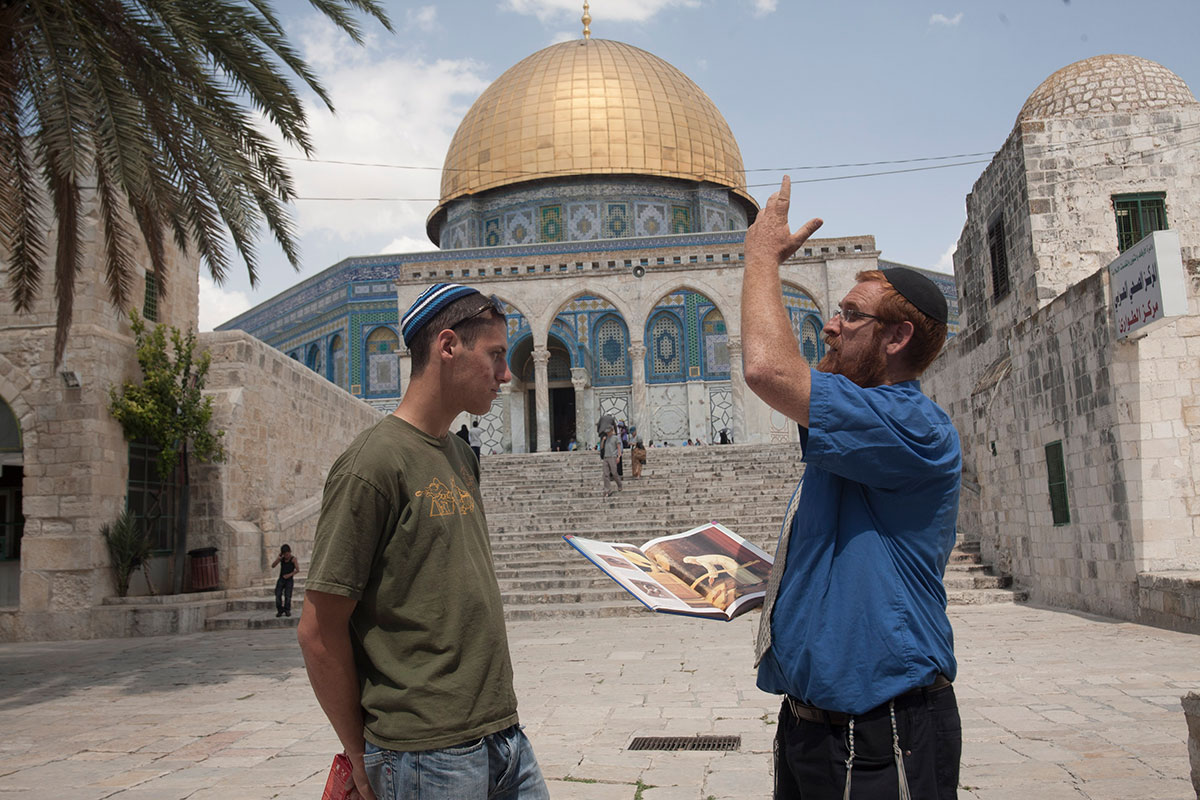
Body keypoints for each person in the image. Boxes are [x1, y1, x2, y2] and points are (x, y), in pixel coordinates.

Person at [742, 176, 962, 800]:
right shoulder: (856, 431)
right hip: (812, 727)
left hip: (883, 728)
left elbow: (767, 368)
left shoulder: (913, 426)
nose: (831, 327)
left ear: (896, 339)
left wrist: (760, 258)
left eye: (851, 315)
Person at [298, 283, 548, 800]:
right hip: (424, 754)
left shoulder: (459, 454)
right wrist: (359, 751)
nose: (508, 374)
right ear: (449, 346)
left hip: (502, 738)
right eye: (497, 356)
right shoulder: (373, 464)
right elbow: (319, 631)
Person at [270, 543, 298, 617]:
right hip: (281, 579)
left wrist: (289, 575)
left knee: (288, 596)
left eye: (287, 554)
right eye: (285, 554)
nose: (286, 556)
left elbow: (297, 570)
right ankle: (280, 610)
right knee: (278, 595)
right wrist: (278, 559)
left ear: (290, 552)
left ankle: (287, 610)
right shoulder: (281, 559)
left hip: (289, 580)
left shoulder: (293, 559)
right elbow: (273, 566)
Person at [600, 425, 622, 496]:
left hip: (613, 457)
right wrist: (603, 440)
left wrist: (618, 456)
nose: (607, 433)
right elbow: (601, 447)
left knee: (614, 472)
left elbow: (619, 448)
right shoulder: (606, 438)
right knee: (606, 474)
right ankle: (607, 489)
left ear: (612, 430)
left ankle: (619, 484)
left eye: (608, 432)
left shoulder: (616, 438)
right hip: (606, 457)